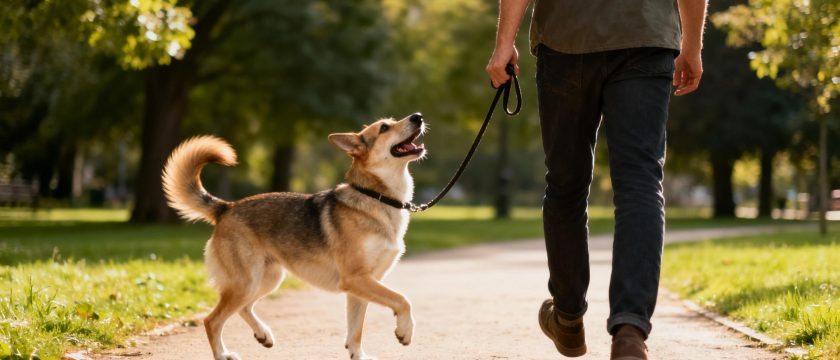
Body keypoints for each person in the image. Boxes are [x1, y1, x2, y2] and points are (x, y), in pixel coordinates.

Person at [486, 1, 707, 359]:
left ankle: (568, 318)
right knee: (640, 184)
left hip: (566, 36)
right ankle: (630, 332)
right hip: (645, 33)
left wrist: (503, 44)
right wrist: (692, 45)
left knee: (566, 185)